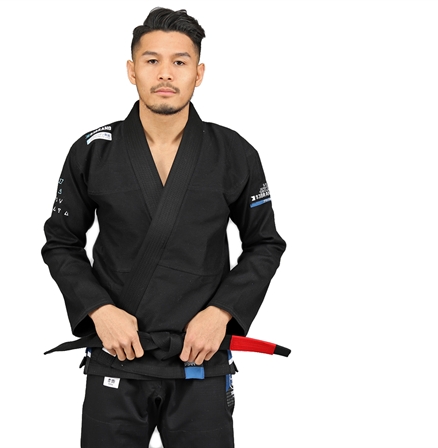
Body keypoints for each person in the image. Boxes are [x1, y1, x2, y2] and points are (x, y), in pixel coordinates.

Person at [42, 7, 286, 447]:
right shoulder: (93, 151)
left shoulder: (234, 152)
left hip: (201, 357)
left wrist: (221, 313)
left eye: (180, 61)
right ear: (131, 70)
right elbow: (61, 243)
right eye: (152, 60)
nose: (165, 73)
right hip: (117, 354)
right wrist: (98, 310)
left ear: (199, 73)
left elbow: (265, 243)